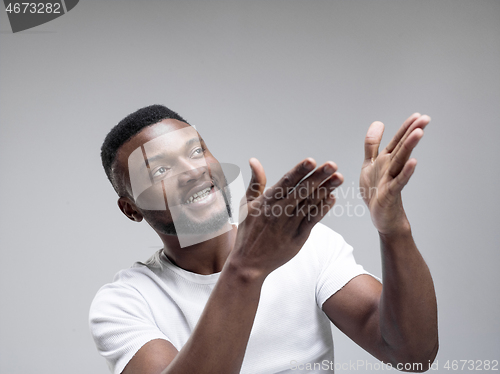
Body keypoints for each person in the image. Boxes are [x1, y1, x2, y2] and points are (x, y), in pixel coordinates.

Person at [89, 105, 438, 374]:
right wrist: (246, 268)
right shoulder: (124, 303)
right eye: (161, 170)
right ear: (131, 209)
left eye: (196, 152)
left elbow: (410, 354)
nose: (193, 171)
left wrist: (394, 229)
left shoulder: (307, 245)